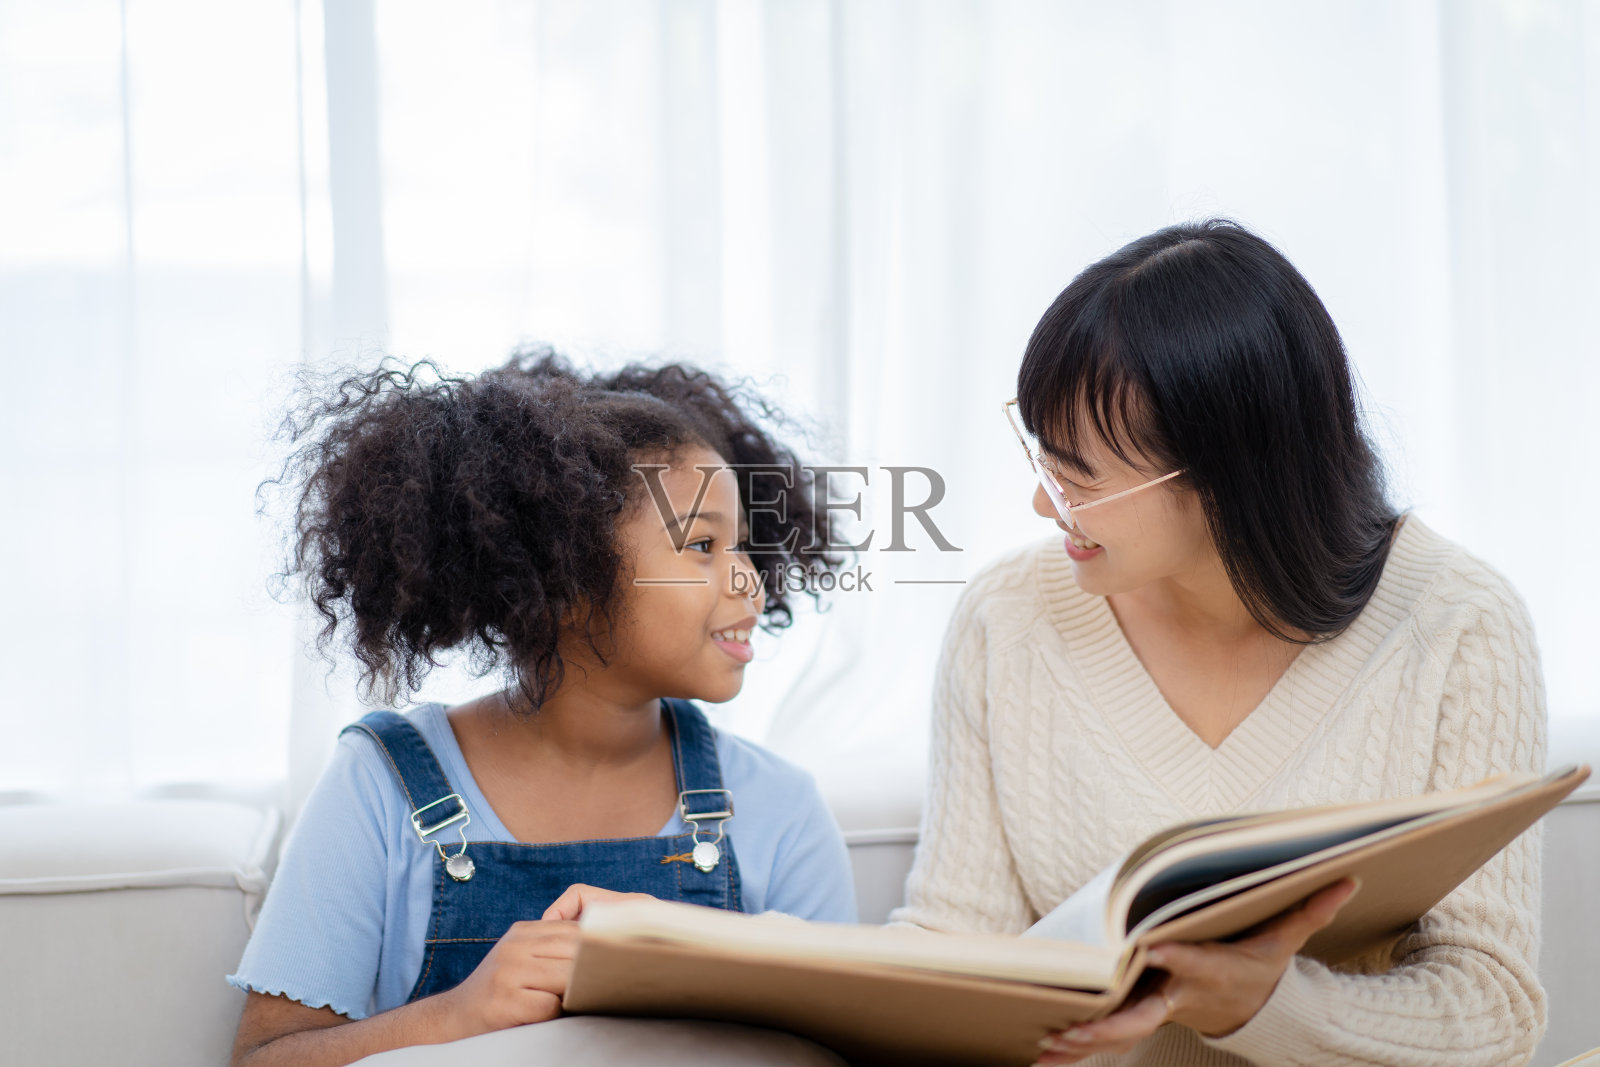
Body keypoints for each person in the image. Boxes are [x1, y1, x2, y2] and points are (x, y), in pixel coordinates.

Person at [890, 219, 1547, 1066]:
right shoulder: (1009, 615)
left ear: (1225, 475)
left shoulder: (1458, 627)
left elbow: (1493, 1010)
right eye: (1045, 461)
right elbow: (958, 938)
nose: (1047, 506)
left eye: (1078, 475)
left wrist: (1264, 1005)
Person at [228, 352, 857, 1067]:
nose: (751, 579)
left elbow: (849, 1048)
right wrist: (461, 1014)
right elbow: (263, 1058)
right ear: (569, 578)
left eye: (742, 544)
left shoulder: (781, 810)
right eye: (704, 545)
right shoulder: (380, 787)